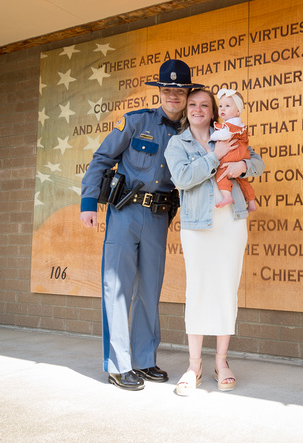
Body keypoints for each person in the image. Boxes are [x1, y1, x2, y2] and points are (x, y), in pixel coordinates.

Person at [80, 60, 204, 391]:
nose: (173, 96)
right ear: (160, 92)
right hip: (125, 213)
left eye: (179, 91)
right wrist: (88, 203)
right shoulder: (137, 122)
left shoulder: (191, 132)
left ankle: (144, 358)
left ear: (187, 93)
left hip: (159, 217)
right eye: (167, 90)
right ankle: (118, 365)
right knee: (117, 287)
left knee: (150, 289)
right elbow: (102, 159)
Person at [164, 88, 265, 395]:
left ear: (213, 111)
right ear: (186, 110)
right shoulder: (176, 143)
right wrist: (215, 157)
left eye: (205, 105)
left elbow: (256, 161)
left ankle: (222, 362)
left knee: (225, 288)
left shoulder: (228, 131)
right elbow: (181, 178)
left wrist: (243, 167)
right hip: (197, 225)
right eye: (192, 104)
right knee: (197, 289)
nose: (198, 109)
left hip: (231, 222)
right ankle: (194, 365)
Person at [210, 88, 257, 211]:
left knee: (221, 172)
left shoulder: (231, 124)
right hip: (242, 154)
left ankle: (227, 196)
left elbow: (224, 135)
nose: (223, 109)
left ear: (238, 111)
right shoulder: (238, 124)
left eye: (227, 106)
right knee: (243, 181)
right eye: (220, 106)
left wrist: (212, 136)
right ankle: (251, 202)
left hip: (233, 154)